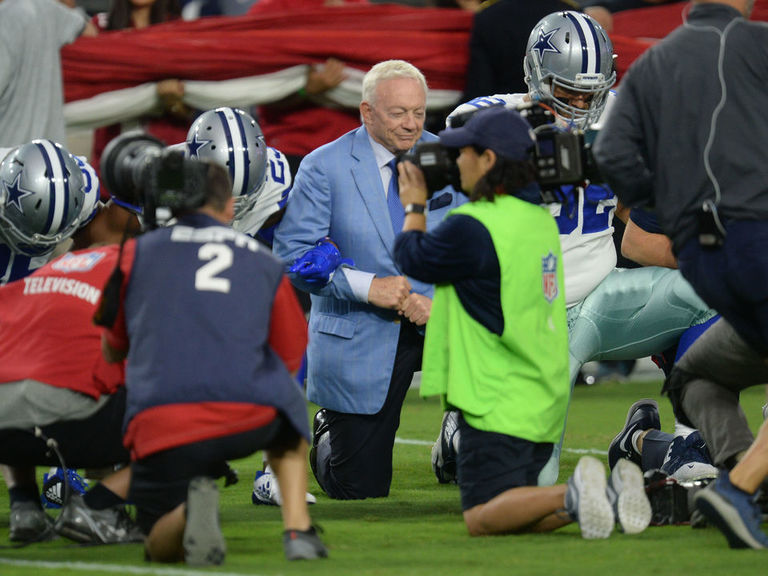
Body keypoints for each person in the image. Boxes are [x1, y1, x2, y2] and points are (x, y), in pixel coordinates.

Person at [435, 10, 714, 487]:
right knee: (532, 484)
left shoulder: (625, 113)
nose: (583, 102)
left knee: (709, 290)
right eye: (568, 91)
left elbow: (630, 205)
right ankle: (465, 431)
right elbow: (463, 147)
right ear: (536, 76)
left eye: (593, 91)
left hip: (600, 298)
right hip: (527, 317)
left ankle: (684, 442)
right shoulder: (489, 115)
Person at [392, 104, 650, 538]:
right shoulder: (537, 221)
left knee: (481, 515)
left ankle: (576, 491)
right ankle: (600, 498)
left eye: (463, 153)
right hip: (541, 392)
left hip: (497, 393)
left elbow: (412, 257)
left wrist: (415, 205)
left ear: (488, 160)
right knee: (515, 513)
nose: (456, 163)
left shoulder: (474, 226)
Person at [592, 0, 768, 548]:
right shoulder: (760, 46)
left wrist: (673, 209)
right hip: (758, 245)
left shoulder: (652, 65)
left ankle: (741, 478)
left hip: (707, 264)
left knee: (696, 377)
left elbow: (612, 155)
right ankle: (740, 487)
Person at [98, 152, 326, 564]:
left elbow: (113, 346)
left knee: (158, 545)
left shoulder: (135, 254)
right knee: (290, 416)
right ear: (227, 206)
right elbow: (292, 351)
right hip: (248, 413)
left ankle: (184, 513)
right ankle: (298, 528)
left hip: (162, 418)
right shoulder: (262, 260)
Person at [273, 59, 465, 500]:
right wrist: (368, 287)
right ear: (367, 112)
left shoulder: (450, 158)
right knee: (359, 487)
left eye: (418, 112)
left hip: (445, 324)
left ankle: (460, 430)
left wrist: (444, 302)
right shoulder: (324, 166)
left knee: (497, 470)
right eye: (399, 113)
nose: (411, 124)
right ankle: (327, 436)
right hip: (363, 329)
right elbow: (290, 255)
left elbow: (476, 244)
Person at [0, 154, 141, 545]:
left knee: (15, 351)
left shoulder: (84, 195)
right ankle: (92, 506)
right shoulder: (131, 261)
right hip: (69, 406)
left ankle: (25, 503)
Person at [90, 0, 189, 199]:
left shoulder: (179, 30)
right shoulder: (100, 27)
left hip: (168, 155)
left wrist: (172, 102)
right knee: (110, 225)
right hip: (110, 157)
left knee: (166, 221)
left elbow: (191, 107)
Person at [0, 0, 97, 148]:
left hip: (8, 160)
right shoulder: (45, 8)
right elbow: (90, 32)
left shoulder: (6, 18)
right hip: (51, 161)